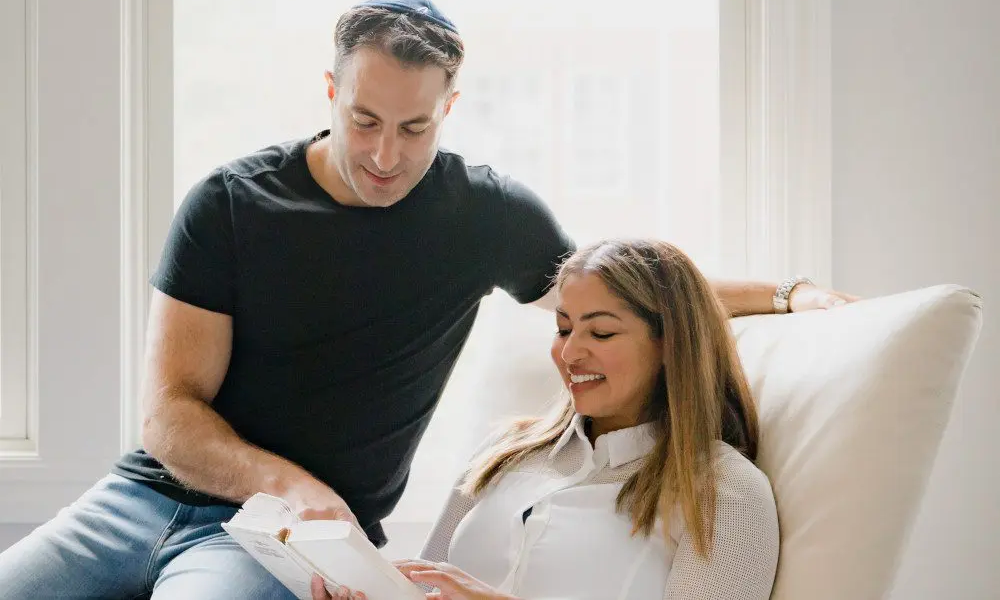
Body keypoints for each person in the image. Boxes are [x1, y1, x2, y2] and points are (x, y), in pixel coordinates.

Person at [0, 0, 848, 599]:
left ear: (450, 107)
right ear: (331, 92)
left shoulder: (484, 214)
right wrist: (291, 483)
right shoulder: (231, 203)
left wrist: (787, 292)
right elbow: (169, 417)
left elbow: (632, 290)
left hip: (281, 543)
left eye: (415, 128)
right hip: (142, 496)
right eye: (364, 120)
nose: (384, 155)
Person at [317, 239, 779, 600]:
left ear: (670, 344)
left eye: (601, 332)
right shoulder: (504, 454)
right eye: (563, 328)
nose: (570, 352)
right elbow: (421, 583)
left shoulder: (723, 490)